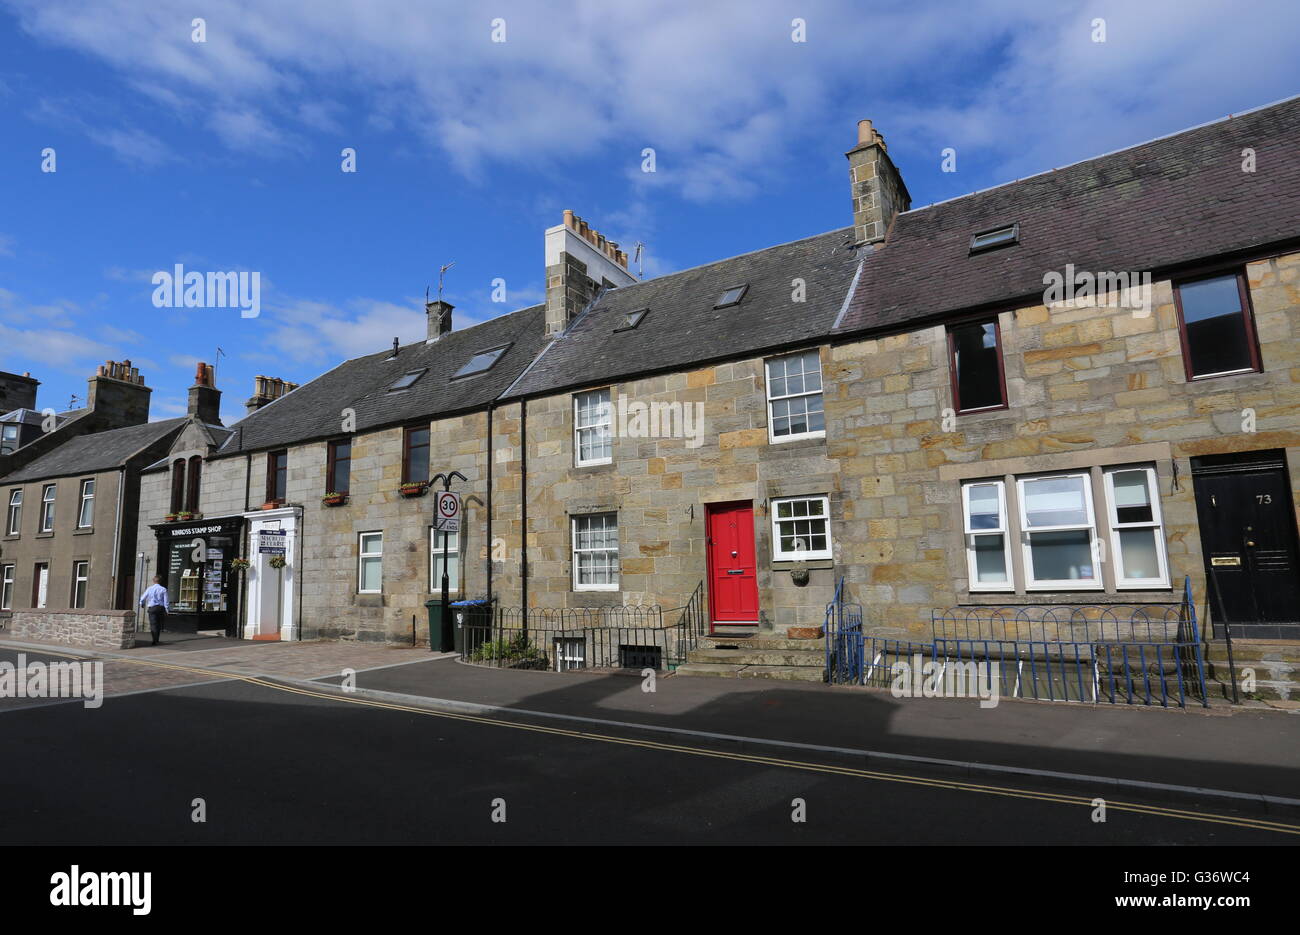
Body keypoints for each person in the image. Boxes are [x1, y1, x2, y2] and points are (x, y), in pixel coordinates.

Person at [139, 575, 169, 646]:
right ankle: (157, 639)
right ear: (160, 581)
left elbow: (143, 598)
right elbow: (166, 601)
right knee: (158, 624)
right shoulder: (163, 589)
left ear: (153, 581)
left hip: (152, 608)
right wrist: (167, 610)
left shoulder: (149, 589)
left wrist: (142, 604)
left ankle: (154, 640)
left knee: (153, 624)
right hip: (160, 608)